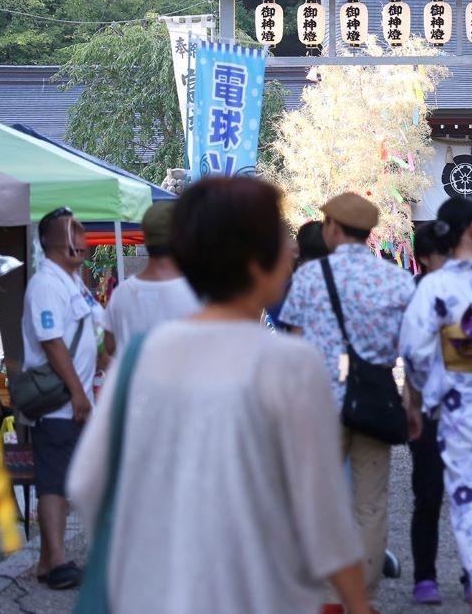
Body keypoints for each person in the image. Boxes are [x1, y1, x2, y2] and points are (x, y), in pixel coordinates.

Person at [67, 177, 371, 614]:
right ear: (254, 263)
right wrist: (358, 605)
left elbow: (85, 482)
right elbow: (323, 516)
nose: (290, 252)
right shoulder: (289, 363)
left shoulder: (140, 357)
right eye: (279, 240)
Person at [280, 192, 416, 598]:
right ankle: (363, 592)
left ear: (334, 228)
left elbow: (296, 343)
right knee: (371, 502)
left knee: (318, 496)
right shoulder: (395, 279)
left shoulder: (307, 277)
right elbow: (411, 348)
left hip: (319, 402)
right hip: (374, 398)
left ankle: (323, 592)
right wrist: (411, 400)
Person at [401, 198, 472, 614]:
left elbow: (414, 348)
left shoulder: (434, 284)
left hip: (456, 400)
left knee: (467, 489)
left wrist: (428, 387)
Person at [21, 207, 101, 590]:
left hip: (76, 400)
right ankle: (56, 562)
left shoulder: (73, 281)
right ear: (54, 241)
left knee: (65, 482)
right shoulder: (46, 284)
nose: (83, 239)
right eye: (76, 231)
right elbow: (52, 342)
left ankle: (47, 560)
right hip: (59, 402)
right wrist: (77, 391)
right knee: (53, 483)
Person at [407, 221, 448, 606]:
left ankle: (427, 578)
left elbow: (412, 356)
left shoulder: (417, 291)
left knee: (428, 496)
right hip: (454, 407)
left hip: (434, 405)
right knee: (432, 494)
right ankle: (432, 576)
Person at [102, 202, 200, 357]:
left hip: (132, 380)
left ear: (145, 238)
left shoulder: (121, 293)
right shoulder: (196, 294)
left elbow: (110, 345)